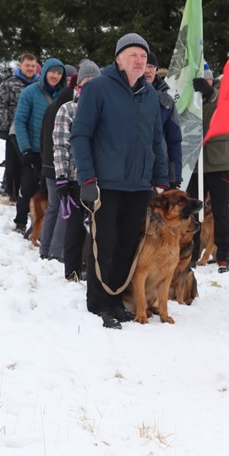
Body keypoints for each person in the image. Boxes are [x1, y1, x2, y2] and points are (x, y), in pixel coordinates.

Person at [70, 33, 169, 329]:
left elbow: (156, 140)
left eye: (143, 56)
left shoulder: (150, 95)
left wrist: (161, 179)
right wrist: (87, 178)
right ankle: (99, 302)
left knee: (128, 244)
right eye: (133, 55)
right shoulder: (98, 88)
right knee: (105, 242)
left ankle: (116, 300)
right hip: (105, 183)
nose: (140, 61)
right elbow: (81, 134)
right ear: (118, 59)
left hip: (139, 185)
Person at [53, 60, 101, 281]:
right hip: (74, 178)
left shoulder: (105, 109)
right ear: (79, 85)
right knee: (75, 228)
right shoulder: (68, 109)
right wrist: (61, 178)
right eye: (87, 83)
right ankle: (71, 270)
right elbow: (60, 145)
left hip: (100, 179)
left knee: (97, 229)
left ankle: (94, 269)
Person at [187, 63, 229, 273]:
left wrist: (210, 93)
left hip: (220, 163)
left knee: (221, 212)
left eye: (208, 80)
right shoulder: (191, 100)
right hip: (194, 165)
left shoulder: (222, 97)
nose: (205, 83)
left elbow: (228, 111)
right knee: (191, 212)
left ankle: (224, 255)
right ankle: (190, 253)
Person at [12, 58, 66, 234]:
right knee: (28, 187)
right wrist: (26, 149)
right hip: (33, 149)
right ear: (44, 73)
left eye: (59, 73)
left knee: (48, 193)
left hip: (53, 152)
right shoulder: (30, 92)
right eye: (53, 72)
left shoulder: (63, 94)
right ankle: (20, 220)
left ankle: (37, 226)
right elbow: (19, 121)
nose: (55, 76)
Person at [37, 63, 81, 259]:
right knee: (66, 209)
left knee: (54, 207)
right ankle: (55, 252)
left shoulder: (52, 106)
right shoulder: (70, 107)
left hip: (49, 164)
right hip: (62, 165)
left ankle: (44, 247)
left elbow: (42, 137)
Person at [0, 53, 39, 202]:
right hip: (13, 129)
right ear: (21, 66)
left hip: (33, 130)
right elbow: (0, 104)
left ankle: (27, 192)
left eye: (33, 66)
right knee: (13, 163)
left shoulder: (39, 84)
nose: (30, 68)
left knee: (29, 163)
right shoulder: (9, 83)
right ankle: (11, 191)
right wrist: (3, 126)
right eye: (27, 65)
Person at [145, 51, 183, 189]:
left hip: (160, 170)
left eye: (152, 67)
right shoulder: (126, 95)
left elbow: (174, 140)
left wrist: (174, 176)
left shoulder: (167, 101)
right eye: (145, 65)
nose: (148, 71)